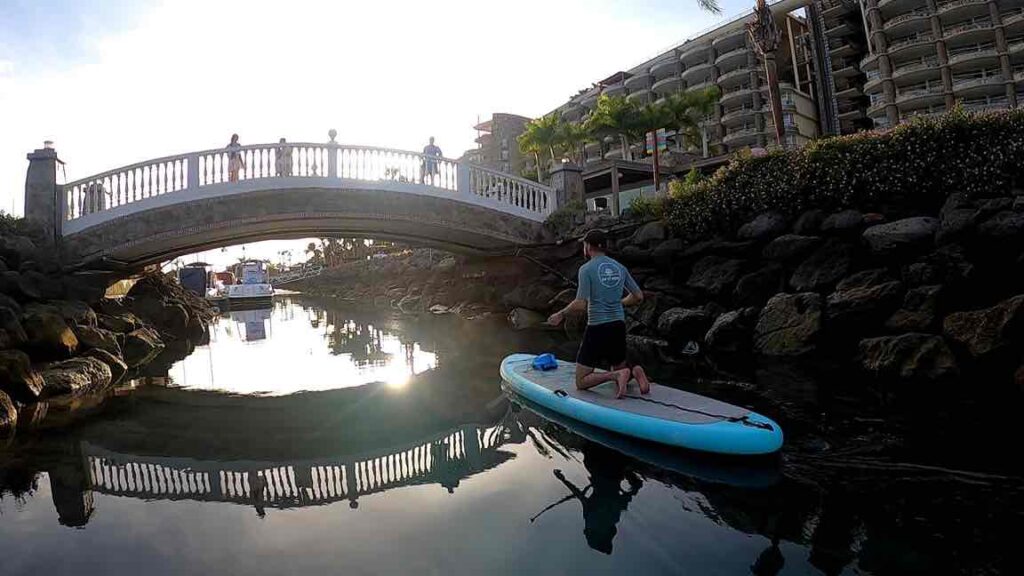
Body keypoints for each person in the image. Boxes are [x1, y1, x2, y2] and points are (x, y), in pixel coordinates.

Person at [548, 229, 650, 399]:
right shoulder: (620, 267)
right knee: (620, 367)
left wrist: (561, 314)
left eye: (584, 245)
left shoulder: (586, 269)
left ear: (588, 247)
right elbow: (638, 296)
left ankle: (614, 376)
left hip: (597, 327)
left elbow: (580, 304)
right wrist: (620, 302)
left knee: (581, 381)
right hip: (618, 325)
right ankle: (635, 372)